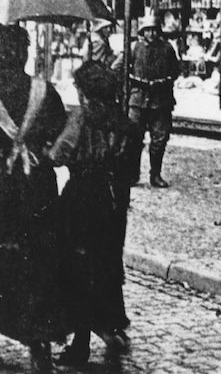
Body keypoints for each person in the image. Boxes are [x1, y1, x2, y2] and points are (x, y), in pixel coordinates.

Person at [49, 60, 137, 365]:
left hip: (81, 200)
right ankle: (112, 325)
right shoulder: (127, 124)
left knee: (76, 269)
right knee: (107, 264)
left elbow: (58, 155)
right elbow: (133, 173)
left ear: (85, 91)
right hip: (114, 203)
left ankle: (81, 344)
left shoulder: (81, 119)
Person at [0, 23, 68, 372]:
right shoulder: (46, 91)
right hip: (38, 188)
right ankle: (39, 338)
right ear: (25, 53)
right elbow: (61, 134)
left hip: (3, 189)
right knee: (39, 259)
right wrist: (38, 147)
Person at [113, 11, 179, 188]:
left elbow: (176, 71)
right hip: (138, 100)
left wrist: (165, 81)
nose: (152, 34)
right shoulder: (134, 48)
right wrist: (126, 83)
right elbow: (117, 68)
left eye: (155, 30)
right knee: (134, 139)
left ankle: (155, 174)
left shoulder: (168, 48)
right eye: (148, 30)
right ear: (142, 31)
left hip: (161, 100)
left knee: (159, 139)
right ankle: (133, 174)